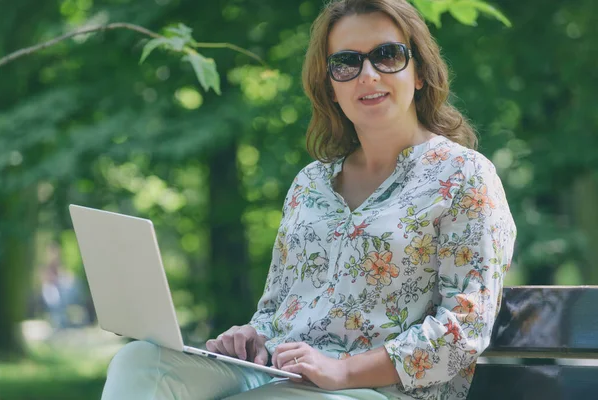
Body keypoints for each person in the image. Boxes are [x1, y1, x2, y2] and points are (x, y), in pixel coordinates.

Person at [101, 0, 516, 398]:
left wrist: (341, 370)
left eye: (387, 55)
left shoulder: (463, 176)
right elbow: (275, 310)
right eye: (346, 63)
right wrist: (253, 337)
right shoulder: (310, 184)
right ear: (330, 86)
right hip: (279, 378)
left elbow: (465, 326)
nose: (367, 74)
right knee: (141, 362)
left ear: (420, 72)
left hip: (378, 391)